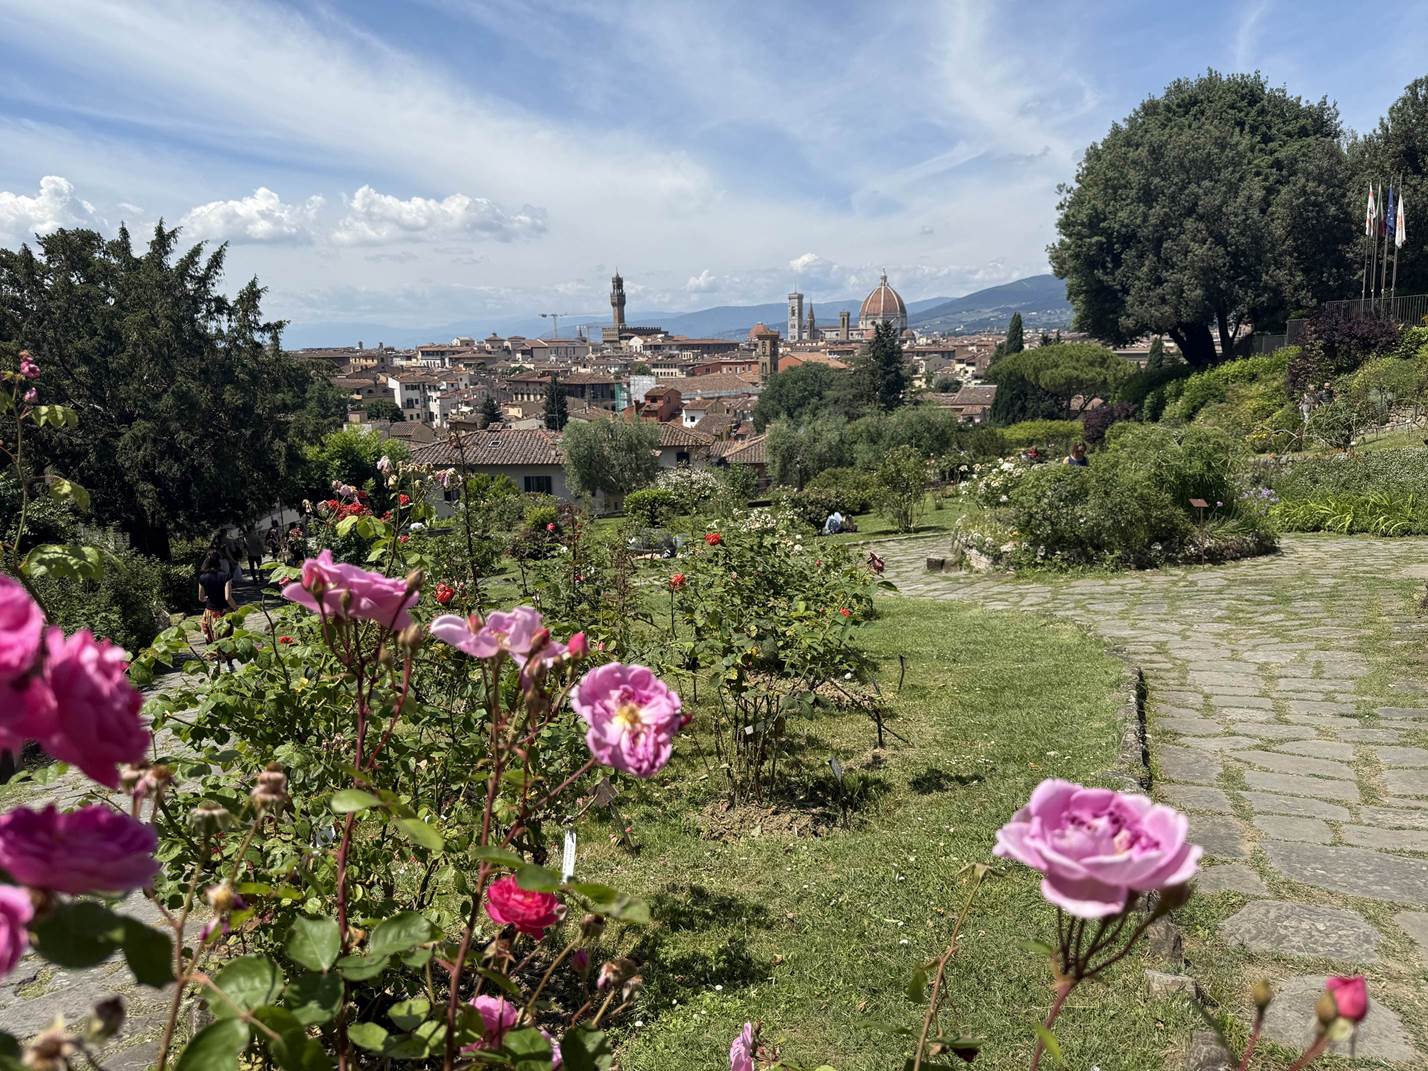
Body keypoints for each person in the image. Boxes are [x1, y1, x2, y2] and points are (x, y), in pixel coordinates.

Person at [197, 551, 238, 647]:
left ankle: (214, 654)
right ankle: (227, 655)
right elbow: (228, 597)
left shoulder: (202, 578)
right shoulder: (226, 576)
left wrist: (208, 598)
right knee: (226, 639)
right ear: (219, 562)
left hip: (210, 612)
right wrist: (236, 608)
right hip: (224, 612)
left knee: (211, 638)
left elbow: (201, 598)